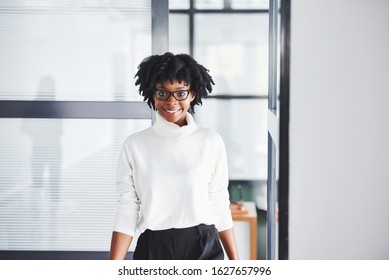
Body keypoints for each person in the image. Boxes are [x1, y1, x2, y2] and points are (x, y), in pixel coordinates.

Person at [109, 52, 239, 260]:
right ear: (152, 95)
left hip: (203, 246)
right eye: (162, 93)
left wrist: (236, 264)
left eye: (180, 93)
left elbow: (219, 203)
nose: (171, 102)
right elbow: (127, 209)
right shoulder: (134, 145)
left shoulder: (210, 141)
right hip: (154, 248)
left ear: (193, 94)